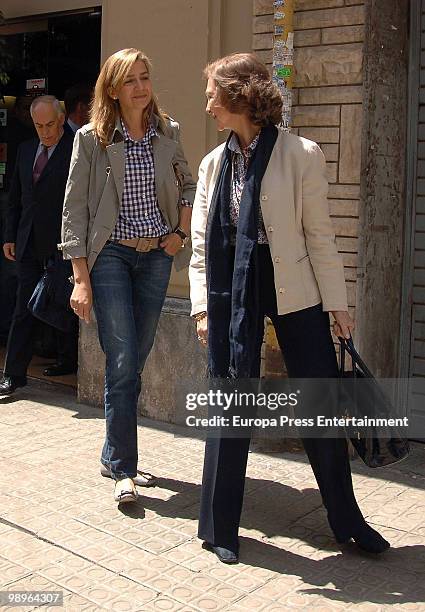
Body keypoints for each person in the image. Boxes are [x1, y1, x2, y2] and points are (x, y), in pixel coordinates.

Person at [189, 53, 390, 564]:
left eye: (213, 92)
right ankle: (220, 528)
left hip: (293, 284)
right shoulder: (214, 161)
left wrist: (338, 306)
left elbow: (320, 237)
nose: (208, 102)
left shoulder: (302, 153)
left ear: (239, 95)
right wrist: (200, 309)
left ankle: (348, 523)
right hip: (229, 290)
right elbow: (199, 246)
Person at [61, 48, 196, 504]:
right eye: (131, 80)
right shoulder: (91, 138)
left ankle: (112, 452)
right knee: (121, 361)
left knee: (133, 360)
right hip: (112, 257)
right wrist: (81, 277)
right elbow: (73, 210)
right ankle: (124, 469)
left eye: (145, 78)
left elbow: (189, 182)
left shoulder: (167, 131)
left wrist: (179, 230)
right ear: (113, 89)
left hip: (157, 254)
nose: (141, 87)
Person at [0, 95, 78, 395]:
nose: (45, 131)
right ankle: (14, 374)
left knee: (62, 302)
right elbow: (15, 197)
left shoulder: (75, 149)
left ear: (60, 120)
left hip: (61, 242)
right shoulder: (25, 150)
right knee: (23, 306)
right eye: (38, 125)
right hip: (28, 240)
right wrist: (9, 236)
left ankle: (67, 360)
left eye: (50, 125)